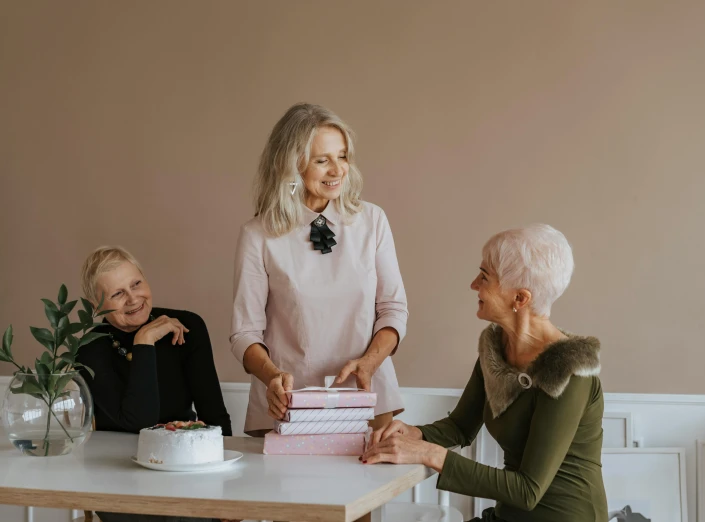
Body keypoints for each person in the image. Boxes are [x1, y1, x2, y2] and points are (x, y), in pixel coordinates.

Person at [362, 224, 609, 522]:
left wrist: (430, 453)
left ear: (520, 299)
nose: (473, 285)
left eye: (484, 277)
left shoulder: (569, 371)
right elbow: (460, 427)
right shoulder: (496, 349)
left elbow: (528, 490)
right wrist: (416, 433)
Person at [230, 103, 408, 435]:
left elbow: (393, 309)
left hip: (365, 400)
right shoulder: (257, 235)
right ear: (291, 165)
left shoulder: (372, 221)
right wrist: (273, 378)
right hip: (287, 406)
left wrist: (368, 364)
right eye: (322, 160)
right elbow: (245, 333)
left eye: (342, 156)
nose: (337, 170)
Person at [77, 246, 232, 436]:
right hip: (114, 459)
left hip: (180, 453)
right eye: (118, 294)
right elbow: (138, 423)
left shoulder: (188, 326)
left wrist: (223, 458)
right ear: (97, 307)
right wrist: (144, 341)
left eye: (136, 284)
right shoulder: (89, 349)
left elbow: (215, 417)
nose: (133, 298)